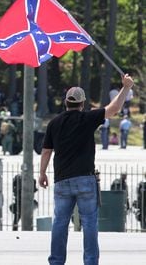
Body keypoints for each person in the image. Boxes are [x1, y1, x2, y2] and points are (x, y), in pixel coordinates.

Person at [39, 73, 134, 265]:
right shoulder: (87, 118)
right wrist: (126, 87)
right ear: (82, 104)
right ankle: (91, 262)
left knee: (59, 223)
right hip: (85, 178)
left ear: (66, 103)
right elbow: (114, 108)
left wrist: (42, 173)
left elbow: (46, 151)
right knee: (90, 223)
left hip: (62, 180)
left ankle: (56, 261)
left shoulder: (54, 123)